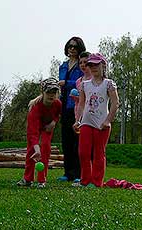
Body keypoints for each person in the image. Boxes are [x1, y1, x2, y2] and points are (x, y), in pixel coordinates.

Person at [73, 53, 120, 187]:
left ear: (103, 65)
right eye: (90, 65)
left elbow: (115, 103)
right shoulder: (84, 85)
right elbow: (81, 104)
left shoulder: (108, 84)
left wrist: (108, 120)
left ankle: (97, 181)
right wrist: (78, 120)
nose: (93, 67)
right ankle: (85, 180)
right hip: (86, 122)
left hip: (101, 124)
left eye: (96, 64)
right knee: (83, 152)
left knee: (99, 154)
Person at [17, 78, 62, 188]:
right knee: (32, 152)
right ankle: (27, 179)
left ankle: (42, 180)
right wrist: (36, 148)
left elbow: (57, 114)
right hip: (34, 130)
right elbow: (33, 132)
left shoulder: (58, 103)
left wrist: (53, 122)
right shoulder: (35, 108)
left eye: (54, 92)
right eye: (48, 92)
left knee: (45, 148)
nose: (51, 95)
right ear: (43, 92)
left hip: (47, 129)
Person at [58, 36, 86, 182]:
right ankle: (67, 172)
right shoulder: (63, 66)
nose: (72, 49)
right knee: (66, 140)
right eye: (70, 46)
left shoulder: (83, 65)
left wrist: (66, 83)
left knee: (77, 140)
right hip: (64, 105)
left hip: (77, 105)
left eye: (75, 46)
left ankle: (78, 173)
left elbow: (83, 83)